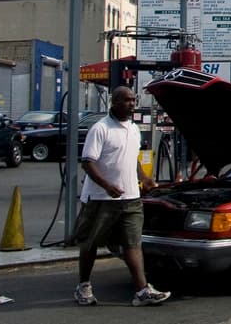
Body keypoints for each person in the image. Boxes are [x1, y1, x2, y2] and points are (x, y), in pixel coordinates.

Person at [72, 86, 170, 307]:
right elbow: (88, 162)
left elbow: (131, 158)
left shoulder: (134, 129)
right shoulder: (101, 129)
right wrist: (107, 186)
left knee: (132, 243)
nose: (131, 104)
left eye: (133, 100)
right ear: (114, 102)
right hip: (100, 199)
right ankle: (83, 286)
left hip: (131, 199)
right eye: (126, 100)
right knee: (90, 244)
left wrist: (144, 179)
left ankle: (142, 291)